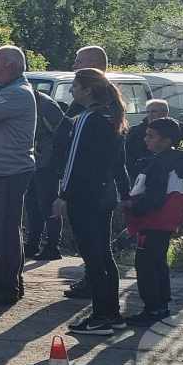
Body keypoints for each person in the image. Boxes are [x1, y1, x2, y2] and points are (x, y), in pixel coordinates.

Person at [56, 69, 132, 334]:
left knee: (93, 257)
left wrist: (63, 195)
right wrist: (125, 193)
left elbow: (73, 161)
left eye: (75, 86)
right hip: (105, 194)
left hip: (85, 196)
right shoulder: (113, 117)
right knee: (104, 254)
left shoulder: (87, 119)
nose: (72, 91)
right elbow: (119, 163)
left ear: (88, 90)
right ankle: (112, 313)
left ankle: (100, 316)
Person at [114, 114, 183, 330]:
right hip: (165, 222)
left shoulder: (160, 164)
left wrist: (133, 207)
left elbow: (154, 197)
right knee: (158, 262)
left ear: (166, 140)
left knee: (146, 265)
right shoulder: (174, 161)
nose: (146, 139)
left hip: (153, 221)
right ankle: (161, 304)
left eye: (151, 136)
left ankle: (152, 307)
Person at [0, 47, 37, 308]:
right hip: (5, 170)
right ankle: (8, 283)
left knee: (3, 230)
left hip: (7, 171)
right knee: (5, 229)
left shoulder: (16, 93)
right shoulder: (9, 89)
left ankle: (6, 287)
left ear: (12, 66)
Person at [22, 84, 69, 262]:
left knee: (47, 204)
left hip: (47, 163)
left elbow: (62, 133)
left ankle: (52, 246)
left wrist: (56, 162)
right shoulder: (32, 102)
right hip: (35, 161)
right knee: (32, 203)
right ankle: (33, 242)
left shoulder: (46, 105)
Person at [126, 99, 170, 180]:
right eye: (148, 112)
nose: (150, 115)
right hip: (141, 176)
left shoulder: (172, 130)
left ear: (165, 113)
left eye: (153, 111)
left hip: (166, 175)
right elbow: (128, 157)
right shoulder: (135, 132)